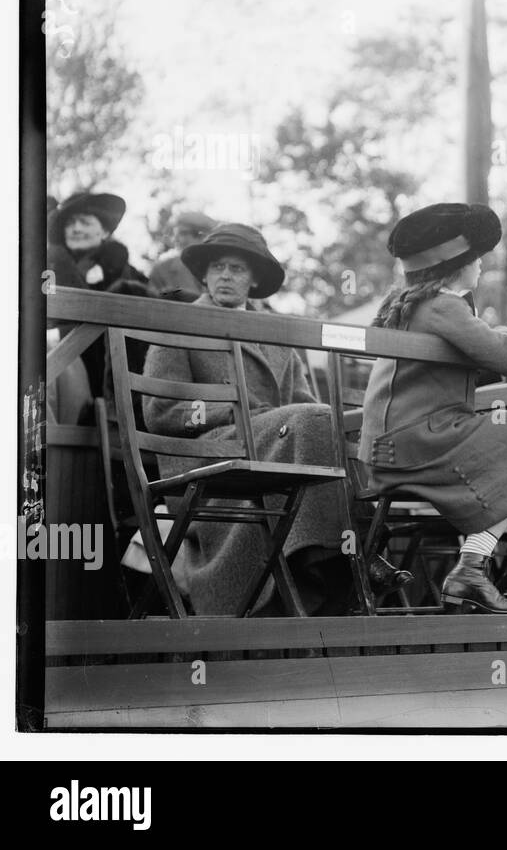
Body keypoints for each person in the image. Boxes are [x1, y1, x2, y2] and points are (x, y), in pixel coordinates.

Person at [360, 202, 507, 615]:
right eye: (476, 259)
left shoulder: (407, 304)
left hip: (395, 445)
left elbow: (454, 370)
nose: (480, 267)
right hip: (416, 442)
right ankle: (501, 553)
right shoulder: (442, 304)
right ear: (456, 265)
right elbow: (505, 356)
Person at [140, 223, 357, 616]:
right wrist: (232, 409)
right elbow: (160, 412)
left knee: (323, 421)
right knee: (309, 423)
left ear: (254, 279)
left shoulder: (276, 334)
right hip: (209, 456)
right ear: (203, 274)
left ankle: (323, 556)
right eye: (218, 266)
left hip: (274, 449)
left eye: (237, 269)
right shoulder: (178, 323)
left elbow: (307, 407)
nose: (225, 275)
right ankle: (332, 562)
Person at [47, 191, 149, 394]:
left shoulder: (124, 271)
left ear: (104, 232)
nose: (76, 229)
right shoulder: (51, 263)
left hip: (112, 378)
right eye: (70, 223)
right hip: (59, 365)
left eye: (85, 223)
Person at [149, 210, 217, 300]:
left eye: (183, 233)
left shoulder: (221, 269)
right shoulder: (162, 270)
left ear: (202, 236)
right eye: (175, 234)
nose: (175, 239)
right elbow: (150, 301)